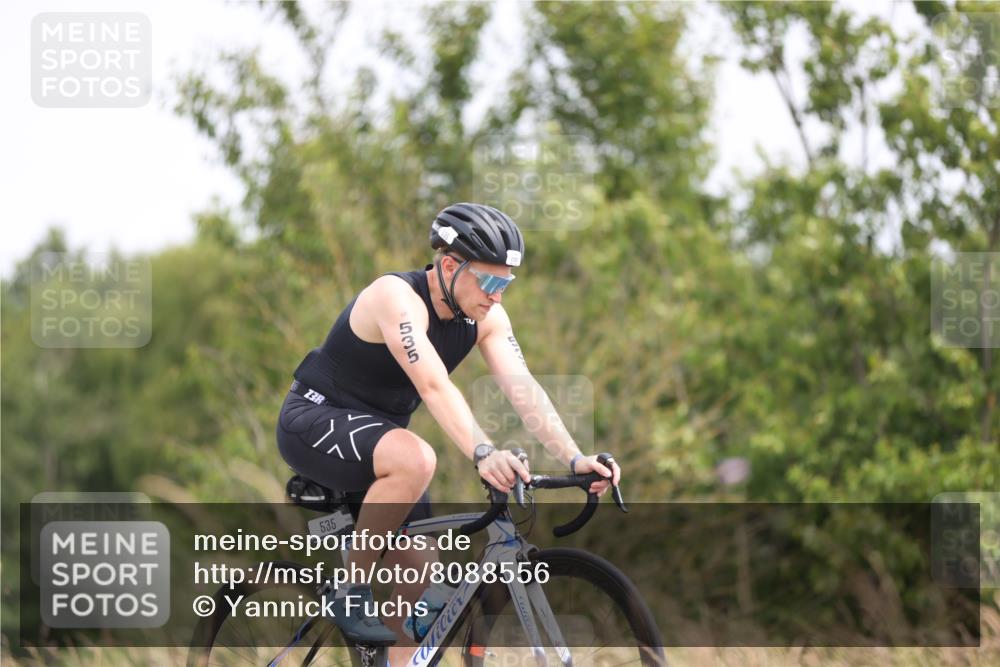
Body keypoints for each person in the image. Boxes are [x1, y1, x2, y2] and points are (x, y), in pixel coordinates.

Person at [275, 203, 621, 663]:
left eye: (506, 284)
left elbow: (525, 390)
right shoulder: (395, 297)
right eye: (490, 281)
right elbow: (433, 385)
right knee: (417, 459)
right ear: (451, 265)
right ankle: (350, 589)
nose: (497, 296)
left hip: (381, 446)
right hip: (314, 420)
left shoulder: (487, 317)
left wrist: (575, 458)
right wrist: (484, 452)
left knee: (420, 583)